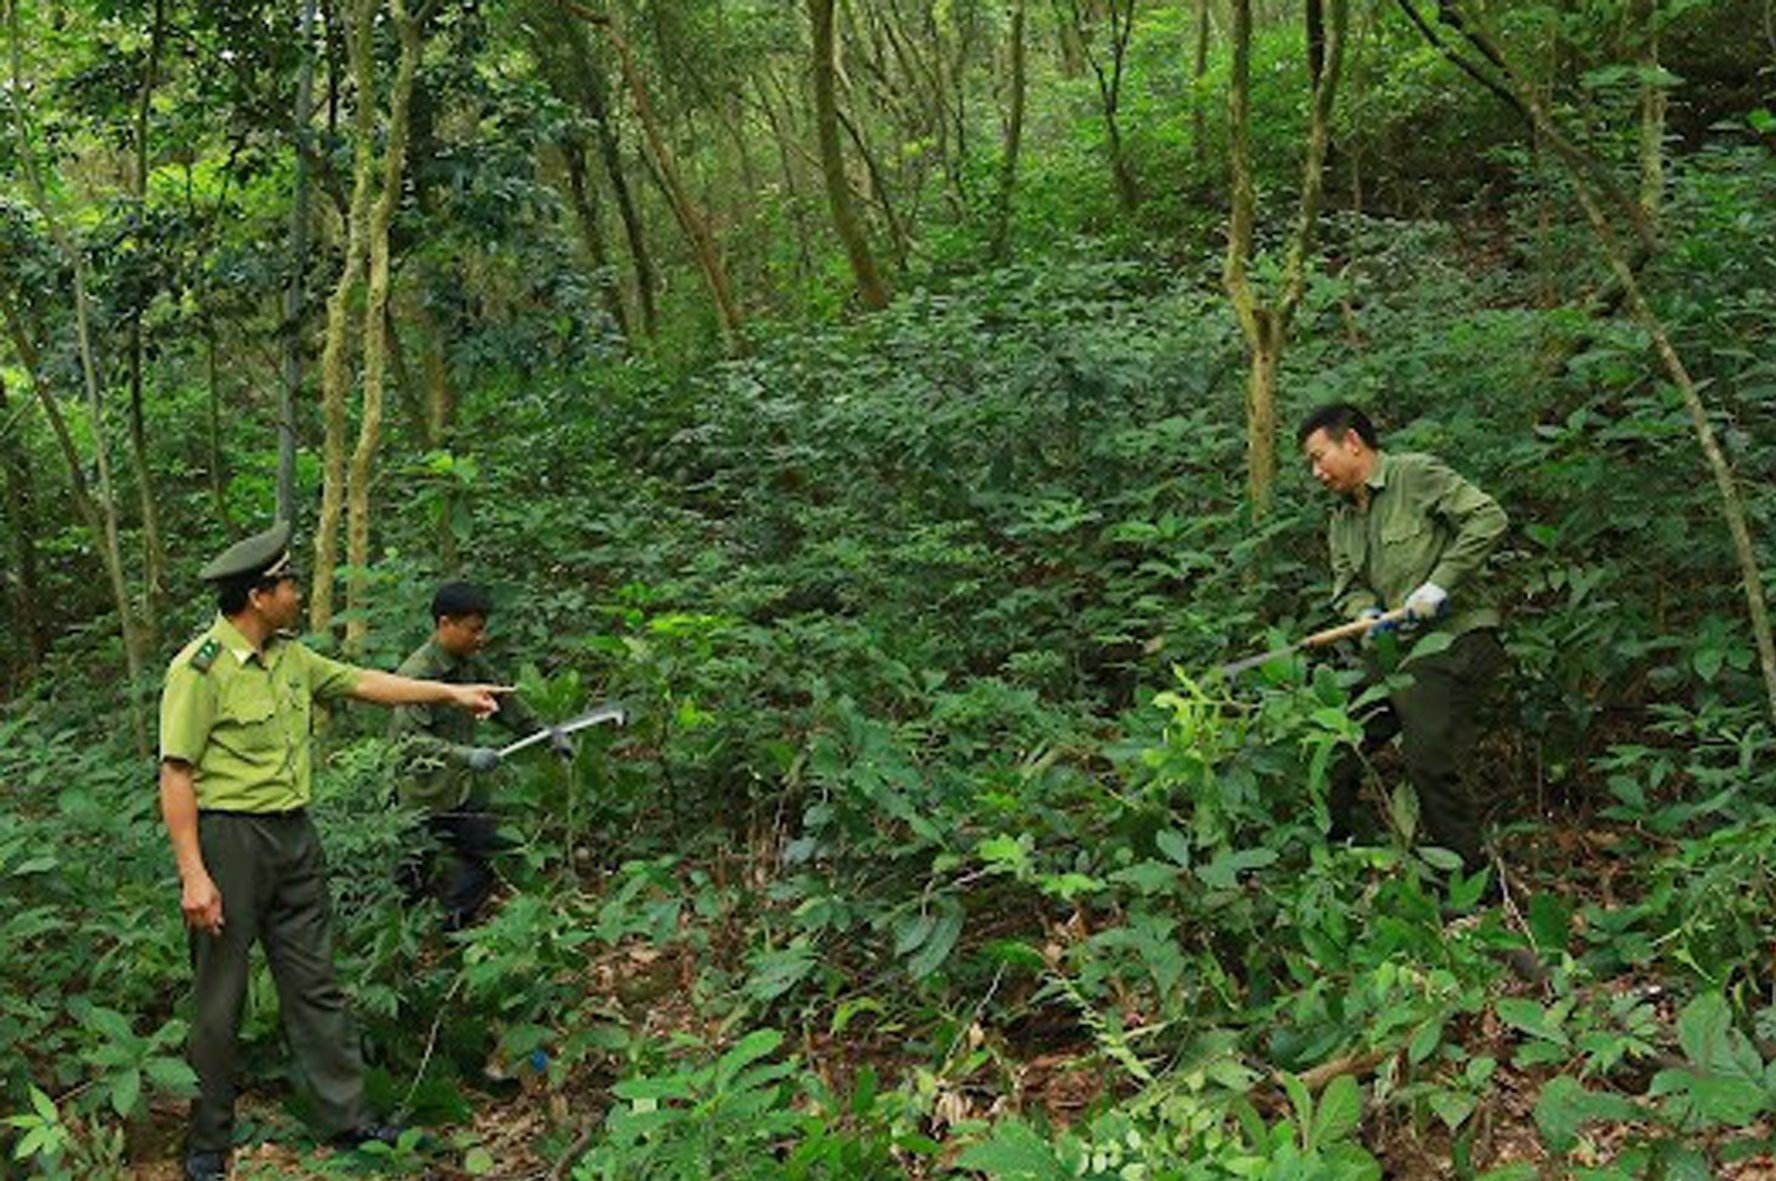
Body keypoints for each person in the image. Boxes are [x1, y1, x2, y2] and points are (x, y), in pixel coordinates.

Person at [159, 520, 509, 1181]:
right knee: (220, 995)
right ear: (258, 595)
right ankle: (208, 1139)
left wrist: (450, 691)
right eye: (289, 581)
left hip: (295, 835)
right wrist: (193, 874)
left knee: (315, 982)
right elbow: (176, 772)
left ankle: (345, 1116)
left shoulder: (292, 656)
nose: (297, 589)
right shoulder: (198, 668)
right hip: (229, 839)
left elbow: (363, 682)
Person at [1297, 403, 1509, 879]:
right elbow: (1347, 588)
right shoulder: (1342, 520)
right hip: (1397, 650)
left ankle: (1472, 884)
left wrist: (1441, 583)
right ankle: (1336, 859)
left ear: (1352, 442)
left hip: (1458, 636)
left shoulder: (1415, 476)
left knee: (1425, 754)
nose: (1316, 472)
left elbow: (1488, 519)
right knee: (1337, 740)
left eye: (1318, 457)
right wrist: (1365, 614)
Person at [388, 581, 573, 931]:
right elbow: (408, 742)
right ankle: (402, 948)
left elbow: (504, 702)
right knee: (409, 879)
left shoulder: (471, 663)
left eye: (482, 630)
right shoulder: (416, 676)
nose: (481, 638)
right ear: (445, 624)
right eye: (473, 630)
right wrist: (467, 755)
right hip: (421, 796)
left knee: (490, 854)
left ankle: (452, 928)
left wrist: (545, 734)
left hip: (462, 793)